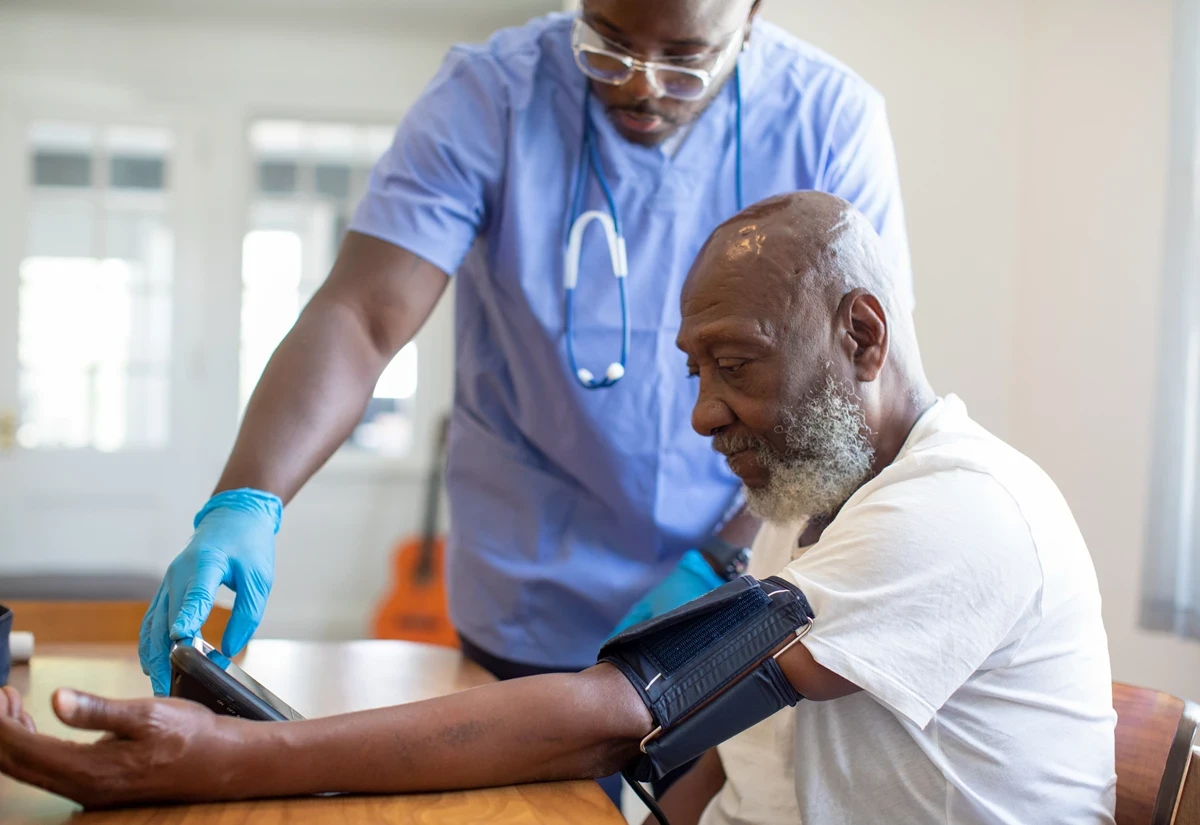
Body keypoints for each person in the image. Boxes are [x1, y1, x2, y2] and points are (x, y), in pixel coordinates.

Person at [0, 192, 1115, 824]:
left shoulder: (963, 512)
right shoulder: (816, 507)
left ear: (862, 338)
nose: (701, 415)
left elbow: (626, 706)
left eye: (734, 364)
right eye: (692, 369)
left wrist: (224, 761)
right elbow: (722, 748)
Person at [137, 1, 914, 742]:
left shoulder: (829, 120)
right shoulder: (491, 95)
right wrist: (249, 495)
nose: (640, 84)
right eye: (606, 44)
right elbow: (363, 316)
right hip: (525, 586)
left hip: (726, 584)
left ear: (750, 16)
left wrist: (728, 554)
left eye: (685, 62)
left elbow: (850, 386)